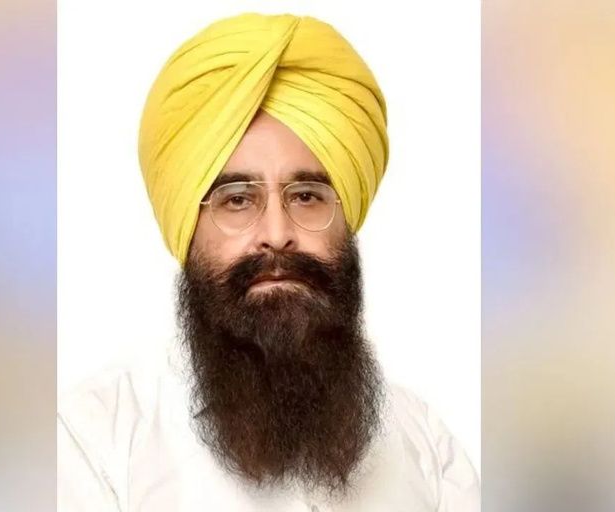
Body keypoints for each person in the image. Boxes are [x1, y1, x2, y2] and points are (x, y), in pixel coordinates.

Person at [58, 12, 480, 511]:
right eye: (237, 200)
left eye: (307, 196)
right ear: (188, 228)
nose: (277, 235)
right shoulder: (95, 442)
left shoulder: (425, 447)